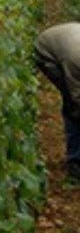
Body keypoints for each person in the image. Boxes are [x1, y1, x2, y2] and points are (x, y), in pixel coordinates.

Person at [34, 22, 80, 185]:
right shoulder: (75, 60)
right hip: (46, 52)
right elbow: (76, 96)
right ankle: (75, 161)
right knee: (72, 106)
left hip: (67, 39)